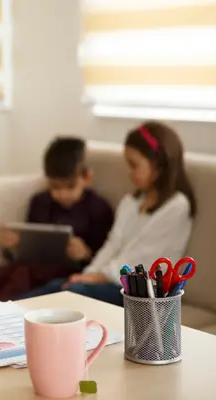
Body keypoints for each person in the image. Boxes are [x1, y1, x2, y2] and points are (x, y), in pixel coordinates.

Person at [16, 121, 197, 307]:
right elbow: (113, 243)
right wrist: (88, 274)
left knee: (72, 293)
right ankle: (4, 315)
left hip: (140, 291)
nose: (129, 172)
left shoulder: (177, 206)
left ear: (158, 164)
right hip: (112, 281)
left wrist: (97, 277)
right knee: (58, 286)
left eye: (134, 165)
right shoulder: (131, 202)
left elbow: (140, 258)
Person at [0, 137, 114, 311]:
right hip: (31, 265)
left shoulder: (99, 209)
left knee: (21, 278)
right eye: (55, 187)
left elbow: (105, 257)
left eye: (69, 187)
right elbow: (28, 245)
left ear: (87, 178)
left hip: (64, 273)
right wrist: (13, 245)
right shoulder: (40, 202)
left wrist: (85, 254)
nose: (61, 194)